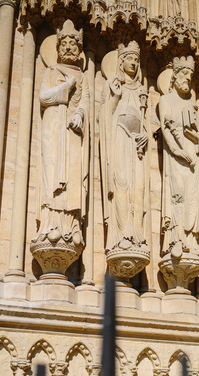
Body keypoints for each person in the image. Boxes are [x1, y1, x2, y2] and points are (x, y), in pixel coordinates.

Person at [32, 20, 89, 259]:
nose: (68, 48)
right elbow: (44, 96)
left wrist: (79, 113)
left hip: (73, 132)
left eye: (73, 44)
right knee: (52, 174)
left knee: (74, 178)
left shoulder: (83, 77)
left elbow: (85, 101)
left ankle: (70, 226)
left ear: (79, 49)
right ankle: (50, 225)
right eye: (64, 43)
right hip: (54, 128)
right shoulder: (51, 71)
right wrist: (66, 85)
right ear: (57, 47)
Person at [99, 41, 150, 255]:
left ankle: (137, 234)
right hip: (119, 138)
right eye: (130, 58)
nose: (134, 63)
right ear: (121, 61)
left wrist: (145, 134)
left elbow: (144, 120)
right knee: (121, 184)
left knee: (138, 189)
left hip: (136, 145)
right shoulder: (112, 85)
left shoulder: (141, 90)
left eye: (136, 60)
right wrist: (115, 97)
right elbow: (104, 115)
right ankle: (122, 235)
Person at [159, 56, 199, 260]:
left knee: (192, 199)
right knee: (178, 195)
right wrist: (180, 152)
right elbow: (166, 131)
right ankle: (176, 240)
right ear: (174, 76)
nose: (188, 78)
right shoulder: (165, 100)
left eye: (191, 75)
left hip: (192, 157)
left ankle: (191, 242)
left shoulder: (192, 105)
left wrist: (195, 140)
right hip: (177, 157)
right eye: (184, 74)